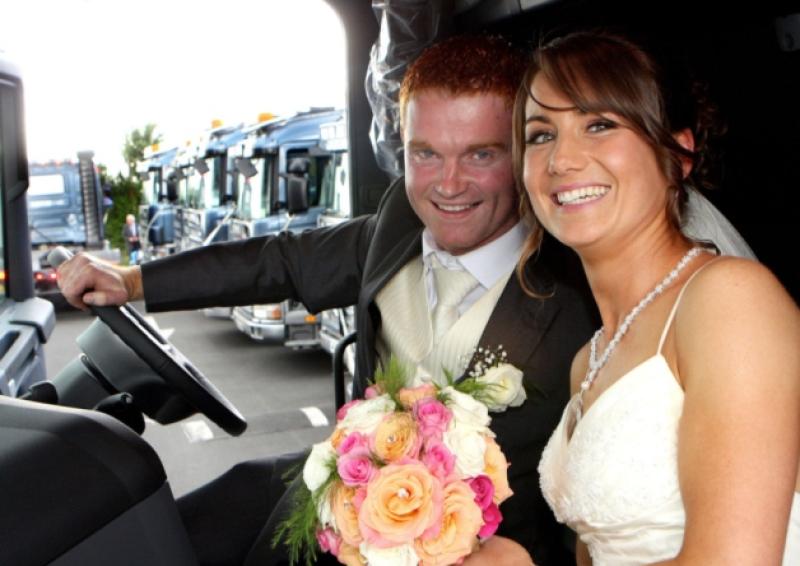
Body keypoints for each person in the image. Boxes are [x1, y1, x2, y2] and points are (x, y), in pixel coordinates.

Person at [57, 36, 598, 565]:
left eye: (481, 154)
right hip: (348, 505)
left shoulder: (580, 292)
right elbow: (280, 261)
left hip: (486, 548)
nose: (449, 184)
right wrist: (134, 281)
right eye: (426, 154)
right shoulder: (396, 225)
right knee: (176, 523)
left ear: (524, 153)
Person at [511, 31, 800, 565]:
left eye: (599, 124)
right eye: (540, 134)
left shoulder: (728, 301)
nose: (561, 159)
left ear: (678, 154)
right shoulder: (589, 361)